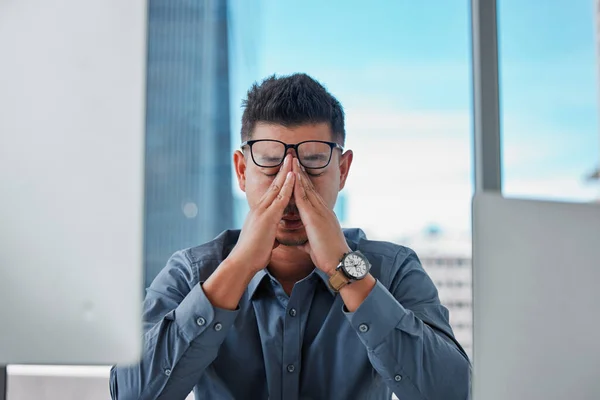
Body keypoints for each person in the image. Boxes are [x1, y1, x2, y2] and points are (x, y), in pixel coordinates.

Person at [110, 73, 471, 400]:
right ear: (241, 170)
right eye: (270, 162)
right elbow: (130, 394)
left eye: (313, 161)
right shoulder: (191, 272)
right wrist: (237, 267)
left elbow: (453, 391)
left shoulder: (393, 268)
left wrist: (345, 269)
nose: (291, 183)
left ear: (342, 171)